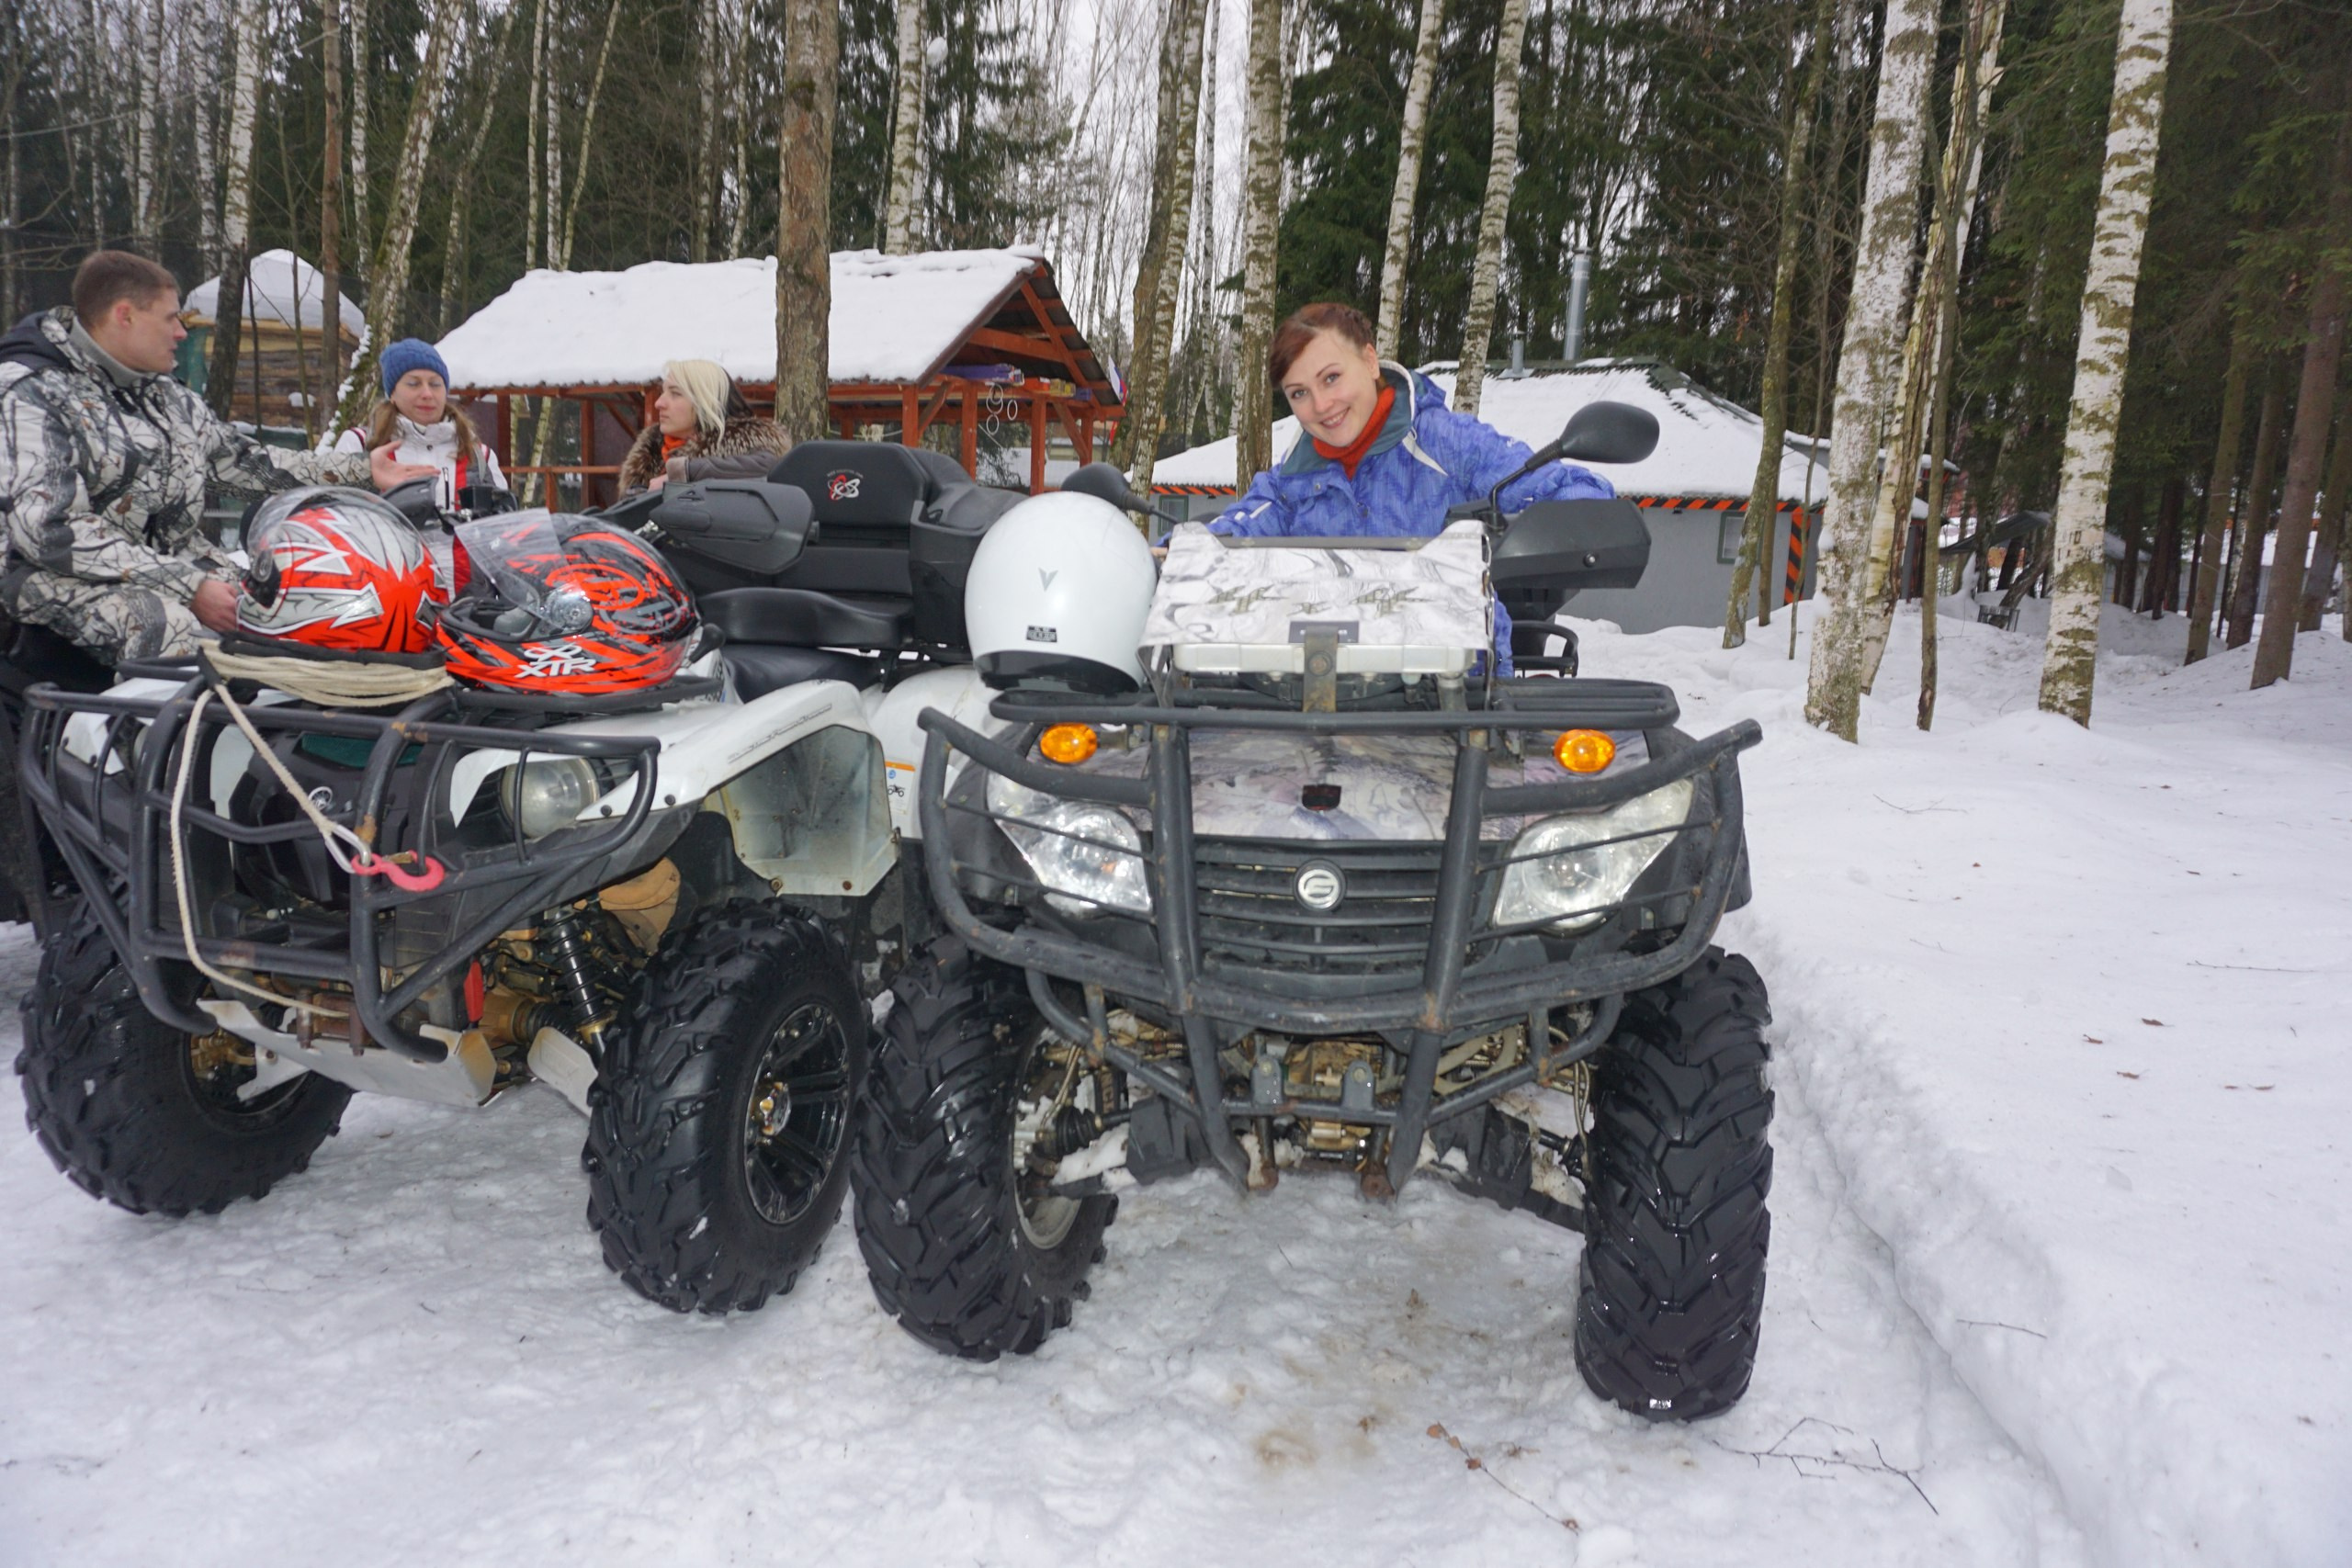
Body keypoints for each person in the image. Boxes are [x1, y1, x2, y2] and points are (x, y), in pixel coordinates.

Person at [0, 250, 425, 664]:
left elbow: (243, 464)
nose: (183, 332)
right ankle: (142, 735)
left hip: (174, 567)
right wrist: (187, 585)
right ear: (124, 315)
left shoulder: (165, 397)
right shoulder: (31, 393)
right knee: (165, 626)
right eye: (171, 318)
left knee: (294, 604)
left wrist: (362, 471)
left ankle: (295, 729)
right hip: (46, 578)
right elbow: (51, 533)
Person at [1210, 301, 1616, 674]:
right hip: (1326, 700)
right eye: (1300, 393)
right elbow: (1236, 527)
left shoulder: (1448, 444)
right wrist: (1174, 554)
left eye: (1331, 378)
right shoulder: (1291, 481)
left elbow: (1562, 489)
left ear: (1370, 361)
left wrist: (1571, 523)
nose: (1320, 406)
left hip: (1456, 705)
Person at [334, 338, 506, 495]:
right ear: (392, 394)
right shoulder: (359, 444)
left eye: (435, 384)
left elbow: (500, 522)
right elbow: (332, 509)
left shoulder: (479, 456)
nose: (427, 394)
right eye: (413, 384)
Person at [616, 359, 792, 495]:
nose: (658, 403)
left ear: (706, 402)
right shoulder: (649, 454)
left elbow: (770, 465)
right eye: (663, 392)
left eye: (675, 393)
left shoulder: (749, 447)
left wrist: (684, 472)